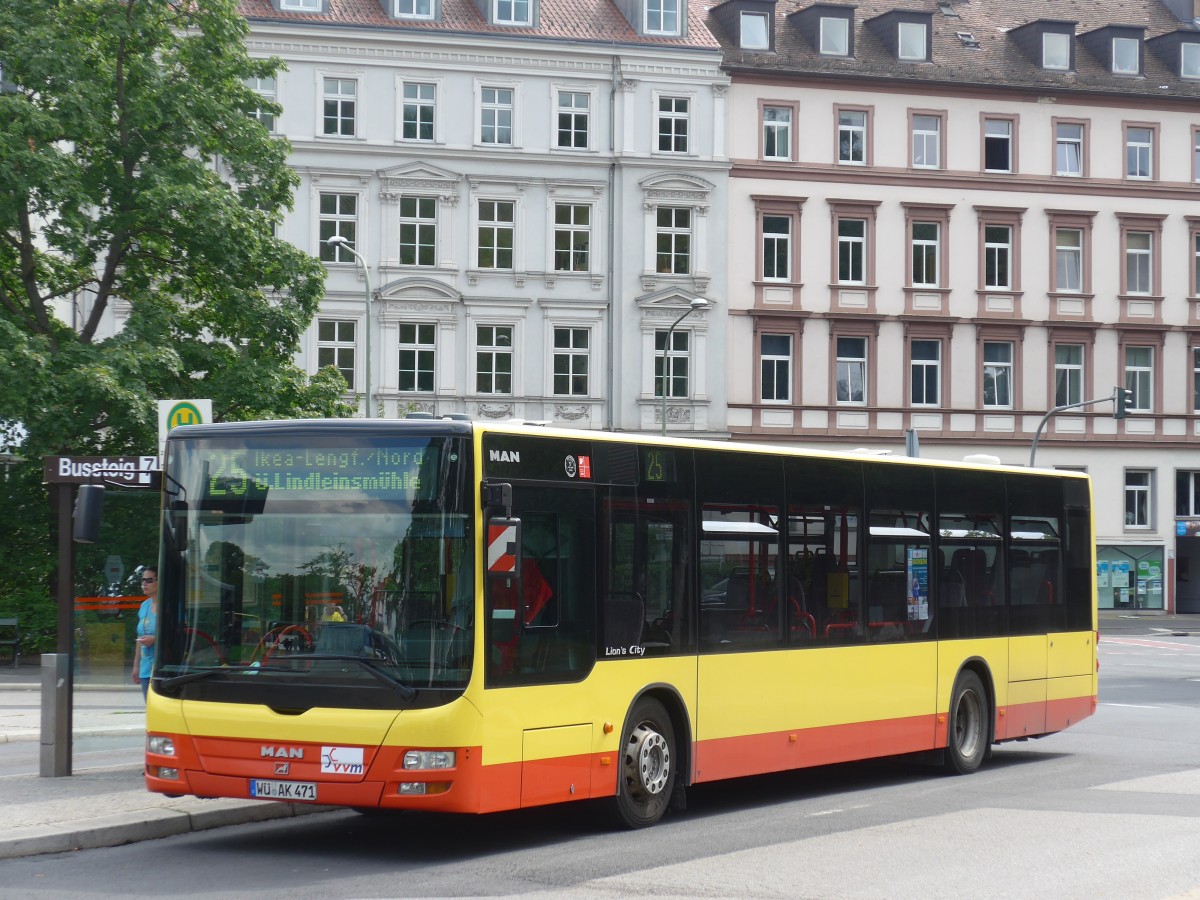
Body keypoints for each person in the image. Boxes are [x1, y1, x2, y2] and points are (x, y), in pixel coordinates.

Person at [132, 566, 158, 699]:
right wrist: (136, 666)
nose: (144, 584)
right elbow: (140, 637)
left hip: (162, 669)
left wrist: (155, 639)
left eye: (149, 580)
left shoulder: (170, 605)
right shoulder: (144, 606)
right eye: (142, 580)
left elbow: (178, 633)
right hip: (145, 670)